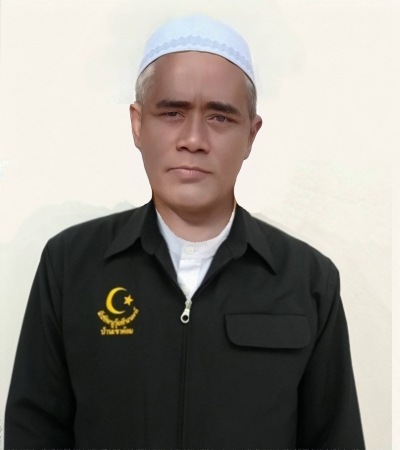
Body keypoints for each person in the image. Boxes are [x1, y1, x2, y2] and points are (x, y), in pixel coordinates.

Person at [5, 14, 365, 449]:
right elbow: (33, 432)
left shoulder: (308, 280)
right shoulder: (69, 264)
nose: (193, 139)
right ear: (138, 123)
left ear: (251, 135)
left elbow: (335, 438)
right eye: (172, 112)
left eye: (220, 117)